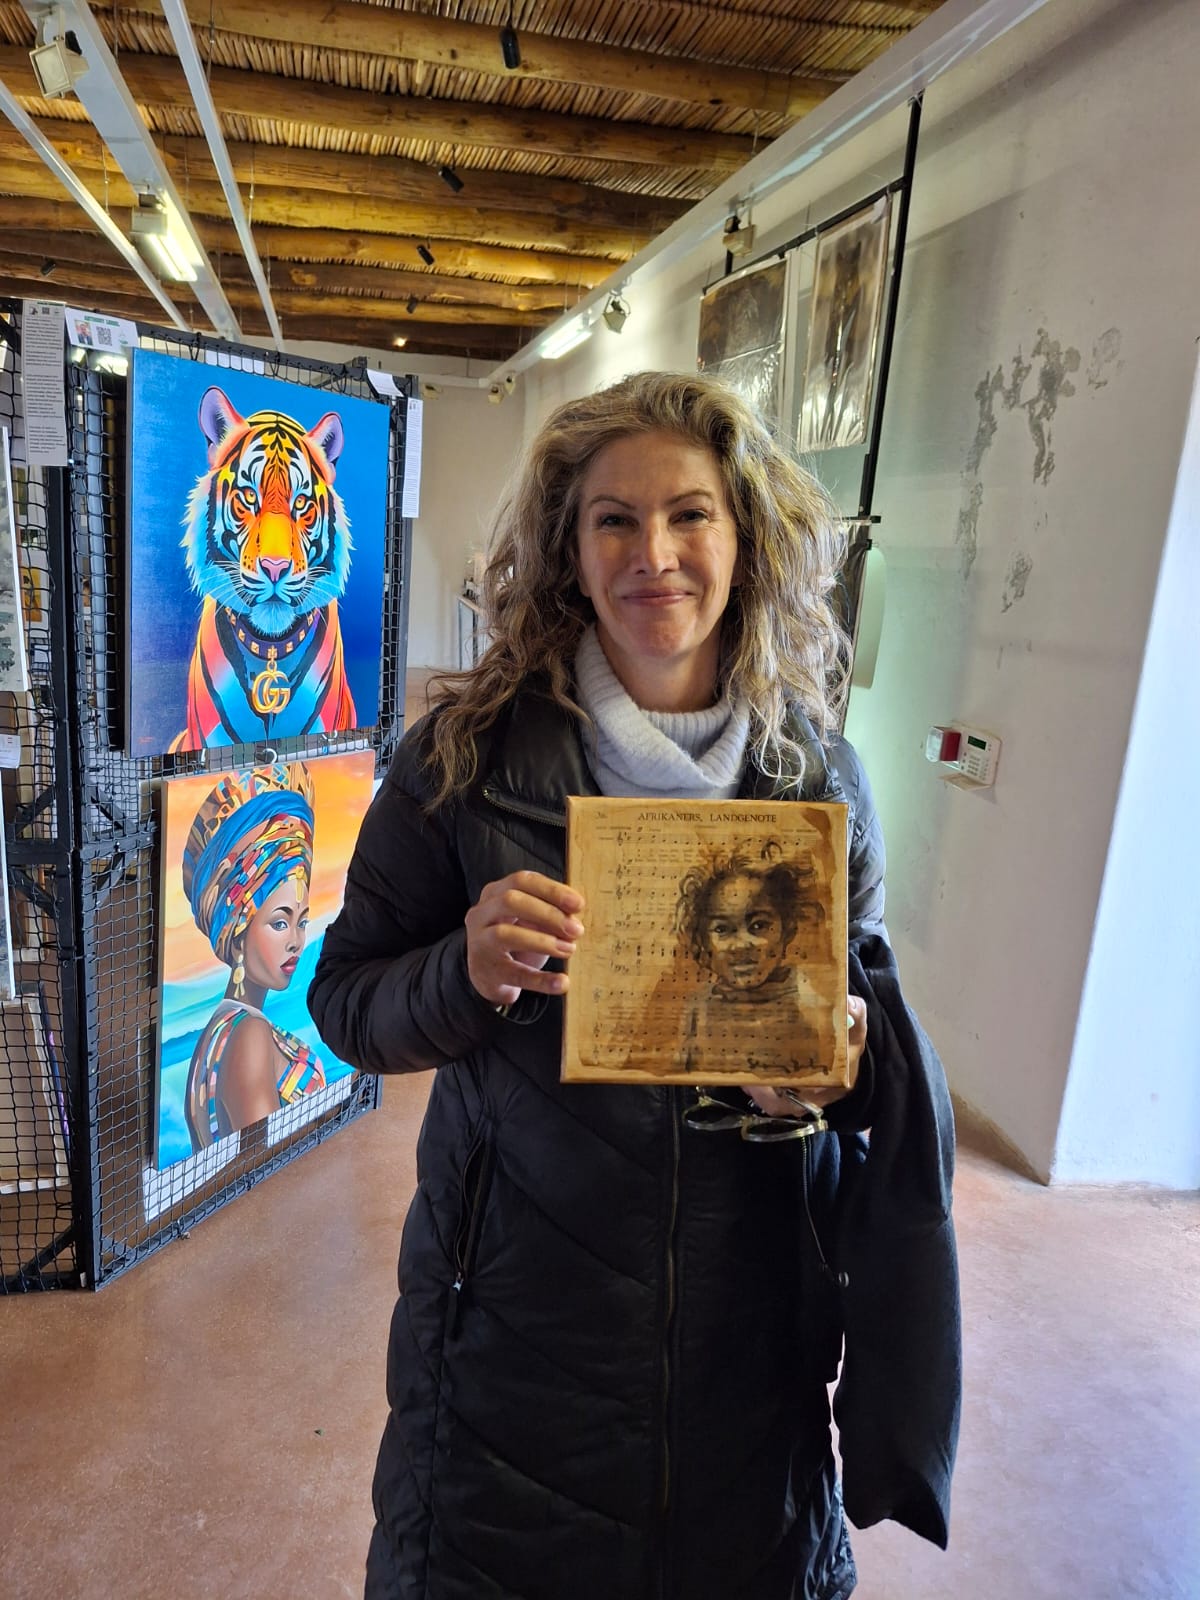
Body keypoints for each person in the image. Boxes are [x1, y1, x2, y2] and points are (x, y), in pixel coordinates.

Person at [309, 371, 961, 1600]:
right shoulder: (462, 762)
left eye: (689, 514)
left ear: (745, 534)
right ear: (569, 546)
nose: (653, 554)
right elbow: (344, 1000)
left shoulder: (819, 778)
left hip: (752, 1360)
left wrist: (841, 1063)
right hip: (513, 1349)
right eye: (614, 518)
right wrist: (463, 970)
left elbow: (866, 1030)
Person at [182, 761, 325, 1150]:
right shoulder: (249, 1034)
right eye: (280, 922)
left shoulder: (226, 1026)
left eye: (301, 921)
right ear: (238, 933)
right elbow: (265, 1161)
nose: (296, 941)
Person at [674, 836, 835, 1078]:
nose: (741, 946)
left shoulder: (809, 1006)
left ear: (787, 930)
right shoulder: (699, 1009)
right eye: (722, 929)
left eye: (758, 926)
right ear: (704, 941)